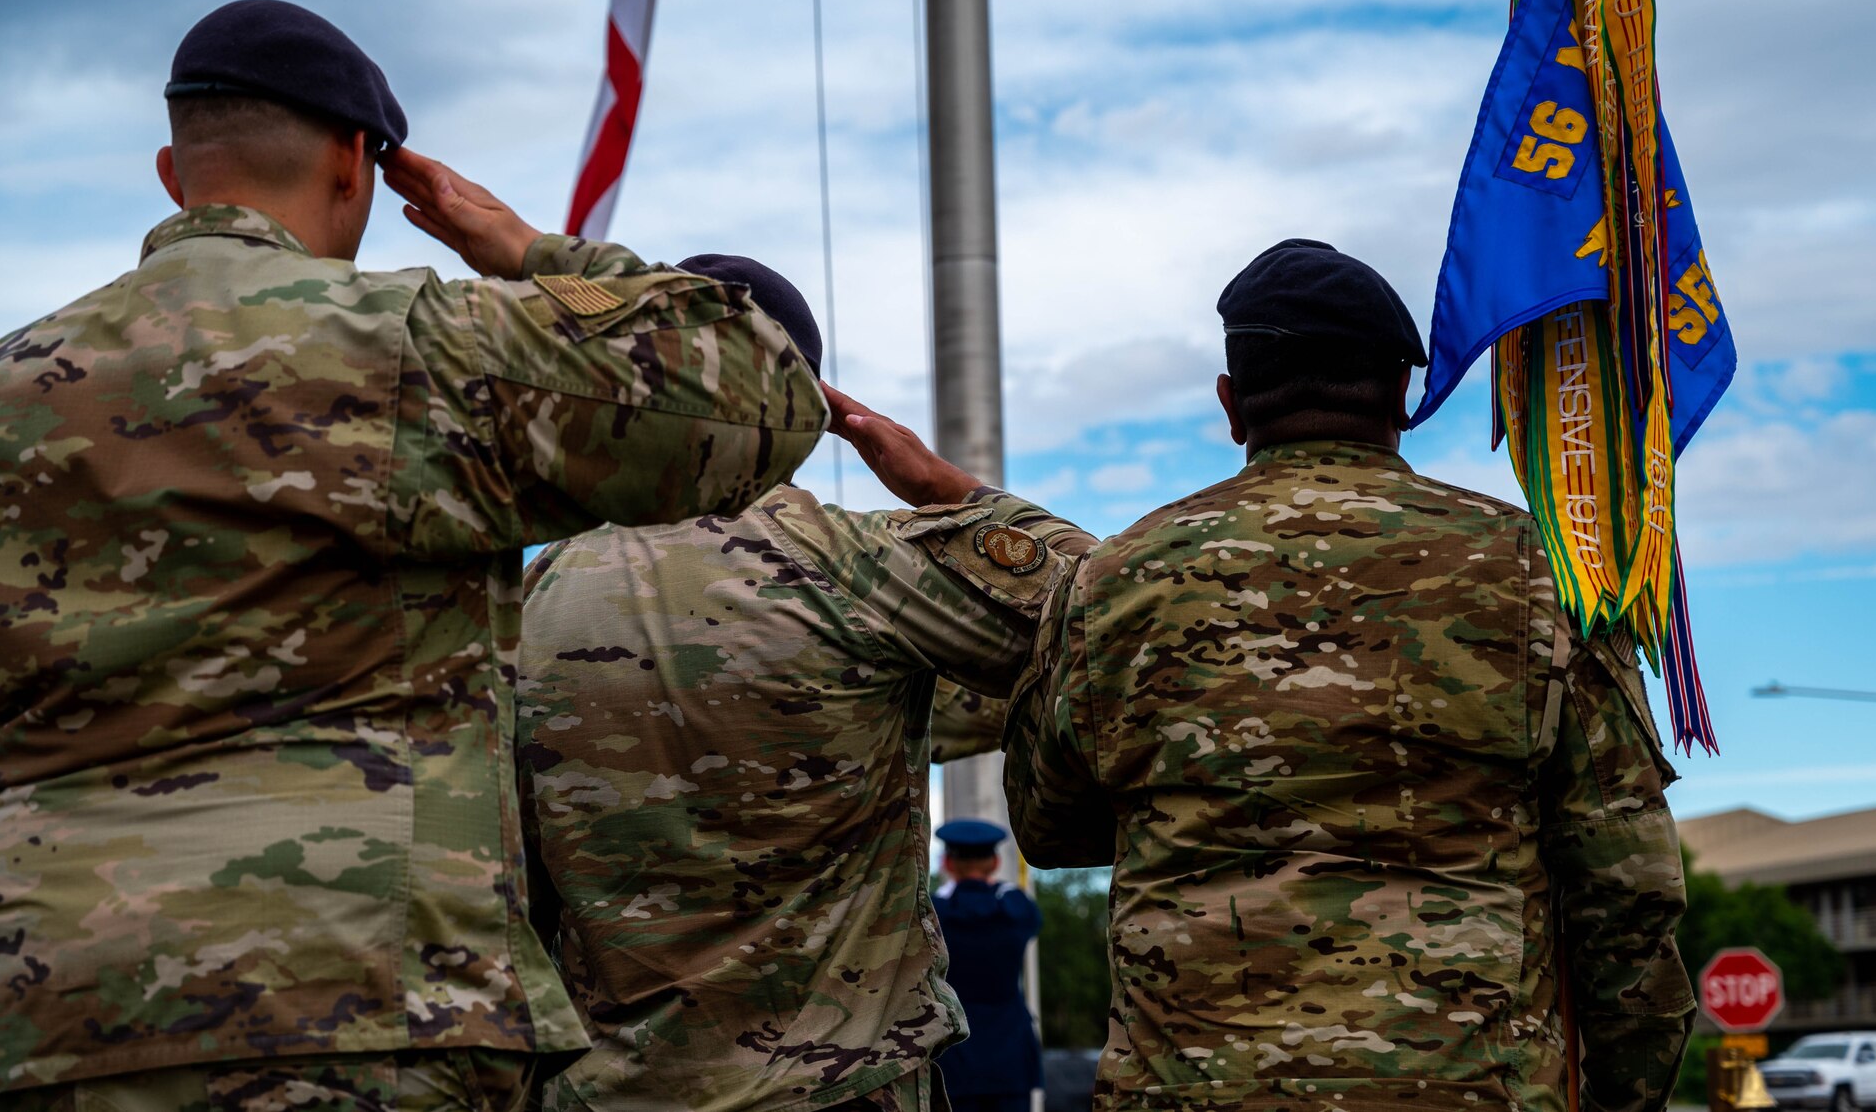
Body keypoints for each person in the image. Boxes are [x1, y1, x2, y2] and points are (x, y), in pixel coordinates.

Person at [0, 1, 824, 1109]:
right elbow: (756, 378)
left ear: (174, 173)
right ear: (356, 161)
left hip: (28, 1015)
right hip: (351, 1000)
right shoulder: (401, 343)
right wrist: (527, 254)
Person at [1004, 239, 1695, 1112]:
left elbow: (1050, 826)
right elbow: (1625, 888)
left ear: (1231, 404)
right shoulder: (1535, 571)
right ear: (1403, 395)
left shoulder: (1112, 581)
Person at [516, 257, 1090, 1112]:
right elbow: (1113, 615)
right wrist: (951, 493)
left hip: (611, 1092)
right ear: (805, 407)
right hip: (839, 1086)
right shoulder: (853, 563)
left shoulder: (537, 592)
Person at [930, 820, 1043, 1112]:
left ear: (947, 862)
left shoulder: (934, 913)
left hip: (952, 1055)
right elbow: (1026, 914)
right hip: (1009, 1056)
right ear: (995, 862)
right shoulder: (1016, 910)